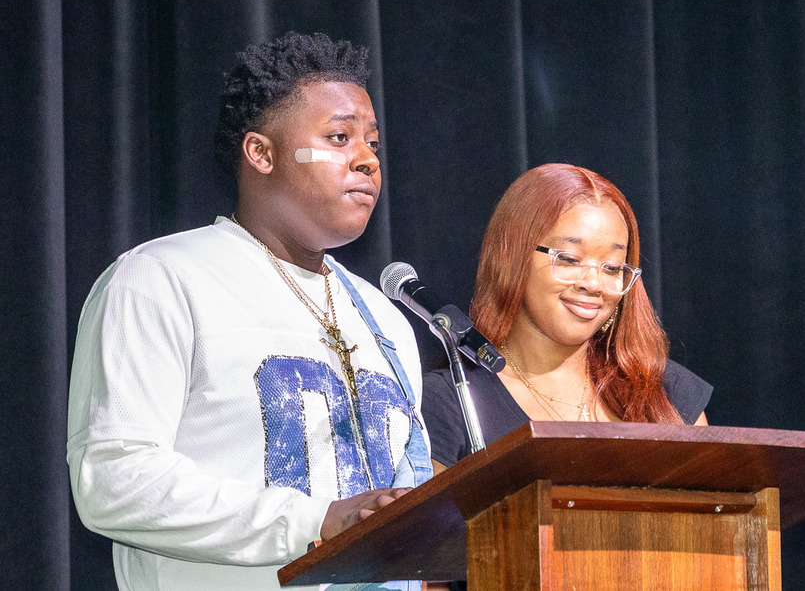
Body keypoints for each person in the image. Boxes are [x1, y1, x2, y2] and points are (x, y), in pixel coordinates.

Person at [66, 32, 430, 590]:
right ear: (260, 153)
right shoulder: (164, 278)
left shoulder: (386, 318)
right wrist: (313, 523)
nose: (366, 160)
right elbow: (114, 478)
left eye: (372, 143)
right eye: (339, 138)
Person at [422, 163, 711, 471]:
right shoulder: (452, 399)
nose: (594, 283)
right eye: (570, 259)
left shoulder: (662, 388)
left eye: (612, 267)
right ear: (512, 255)